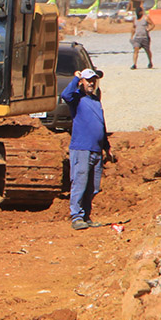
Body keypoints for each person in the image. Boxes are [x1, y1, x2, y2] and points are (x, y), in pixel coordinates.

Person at [61, 67, 116, 230]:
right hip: (82, 149)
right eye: (88, 80)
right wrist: (75, 80)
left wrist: (106, 146)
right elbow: (65, 95)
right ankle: (76, 217)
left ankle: (86, 216)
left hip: (96, 150)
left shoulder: (95, 100)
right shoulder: (76, 98)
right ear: (82, 82)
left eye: (94, 80)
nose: (92, 83)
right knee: (80, 182)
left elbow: (101, 124)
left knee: (93, 186)